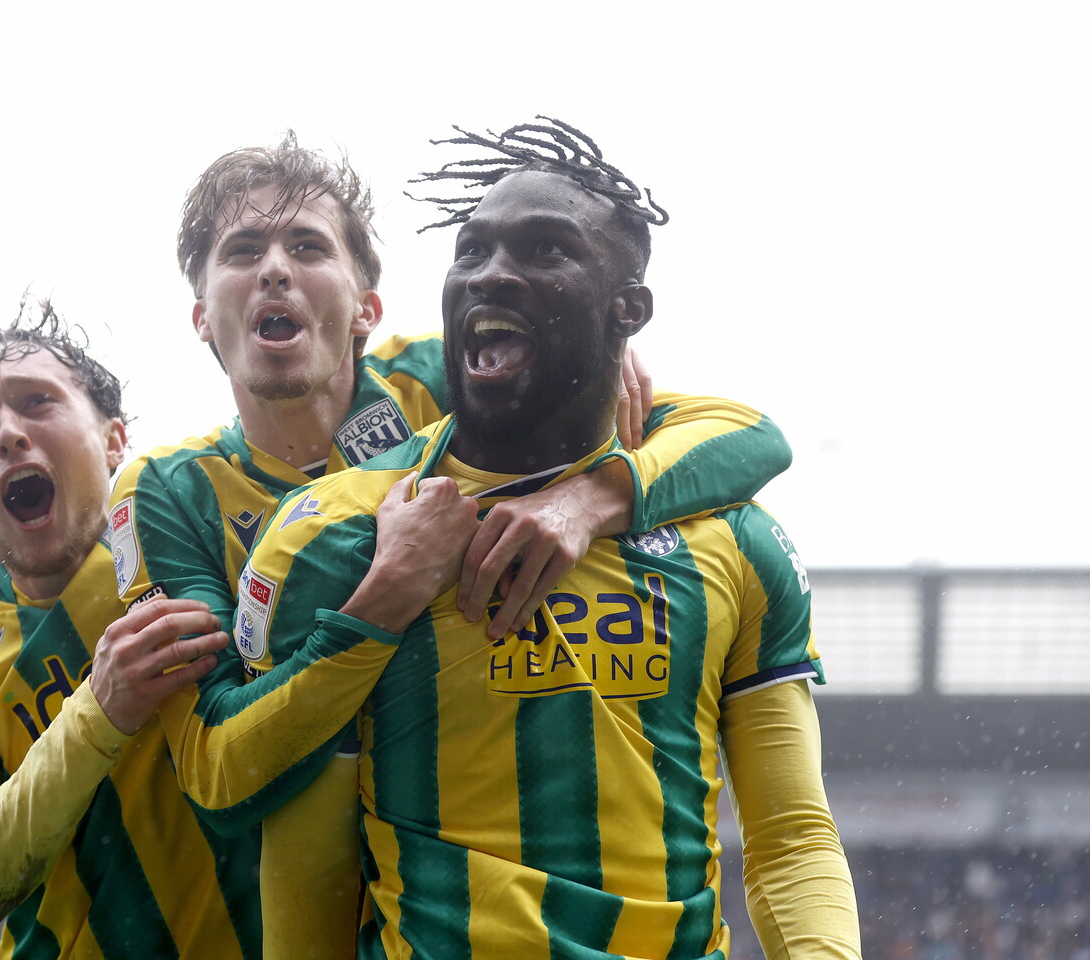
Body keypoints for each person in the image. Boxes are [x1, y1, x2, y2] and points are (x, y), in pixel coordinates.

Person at [234, 118, 863, 958]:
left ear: (627, 310)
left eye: (546, 251)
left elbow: (790, 835)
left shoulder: (731, 539)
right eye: (472, 252)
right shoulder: (340, 536)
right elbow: (308, 876)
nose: (492, 275)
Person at [108, 132, 794, 851]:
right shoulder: (165, 489)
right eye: (244, 251)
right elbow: (214, 764)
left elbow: (751, 437)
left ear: (367, 307)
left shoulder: (455, 374)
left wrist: (591, 498)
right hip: (276, 873)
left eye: (307, 247)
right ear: (200, 318)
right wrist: (388, 592)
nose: (275, 269)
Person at [0, 300, 259, 958]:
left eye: (38, 402)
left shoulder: (204, 519)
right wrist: (100, 709)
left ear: (114, 438)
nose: (9, 433)